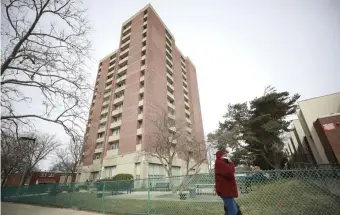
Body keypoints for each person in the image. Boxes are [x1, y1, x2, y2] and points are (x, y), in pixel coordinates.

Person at [215, 150, 240, 215]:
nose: (226, 157)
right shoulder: (219, 163)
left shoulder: (222, 163)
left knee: (234, 208)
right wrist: (231, 163)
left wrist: (229, 163)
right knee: (233, 210)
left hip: (227, 190)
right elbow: (230, 173)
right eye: (225, 155)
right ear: (221, 156)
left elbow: (229, 172)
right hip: (225, 191)